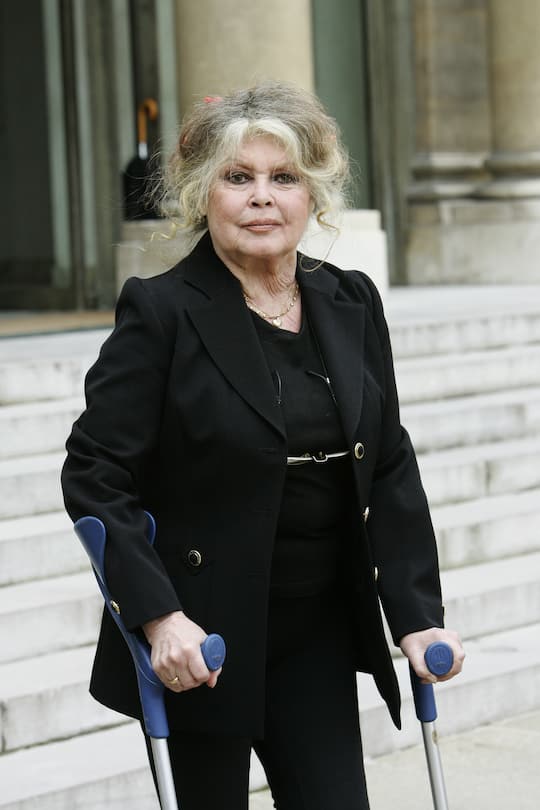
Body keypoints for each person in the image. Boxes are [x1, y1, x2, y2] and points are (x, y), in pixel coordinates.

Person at [61, 80, 464, 810]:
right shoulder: (161, 313)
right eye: (237, 177)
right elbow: (95, 472)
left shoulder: (350, 301)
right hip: (202, 639)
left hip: (316, 630)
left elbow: (391, 464)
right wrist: (159, 617)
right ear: (202, 194)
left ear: (313, 196)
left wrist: (416, 613)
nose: (262, 197)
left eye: (284, 179)